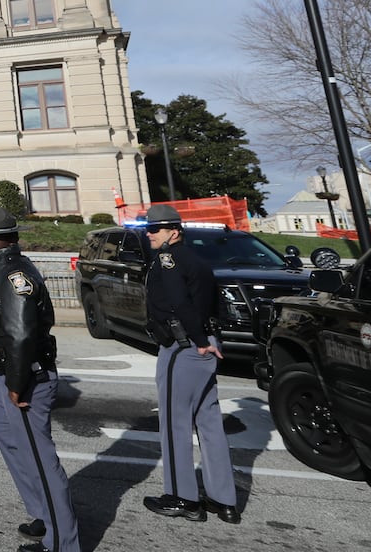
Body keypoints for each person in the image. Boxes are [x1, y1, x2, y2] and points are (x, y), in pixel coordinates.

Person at [0, 206, 81, 552]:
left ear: (9, 238)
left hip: (25, 377)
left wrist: (16, 384)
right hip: (9, 371)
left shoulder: (14, 274)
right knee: (8, 438)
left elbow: (22, 334)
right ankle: (42, 513)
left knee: (40, 458)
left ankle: (62, 544)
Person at [141, 203, 241, 524]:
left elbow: (179, 302)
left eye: (155, 229)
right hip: (205, 344)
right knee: (209, 422)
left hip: (185, 347)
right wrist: (209, 342)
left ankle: (182, 497)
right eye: (148, 229)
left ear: (174, 231)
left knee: (174, 423)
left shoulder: (168, 259)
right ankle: (223, 500)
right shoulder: (197, 260)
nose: (150, 235)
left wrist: (197, 342)